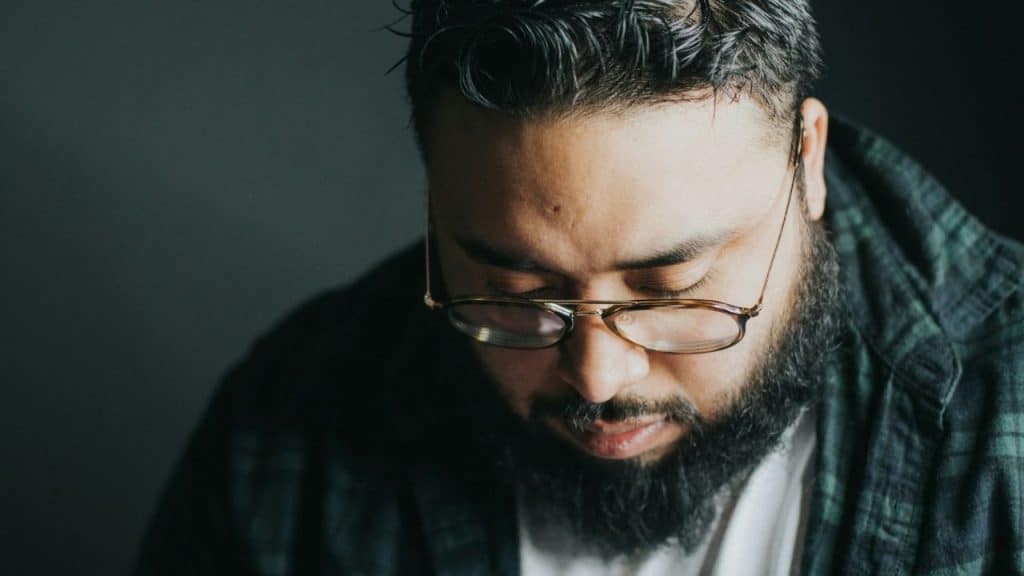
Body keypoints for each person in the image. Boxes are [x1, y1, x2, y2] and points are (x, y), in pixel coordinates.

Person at [135, 1, 1024, 574]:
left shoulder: (1007, 434)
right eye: (515, 289)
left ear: (808, 160)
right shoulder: (292, 429)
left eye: (672, 287)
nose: (596, 378)